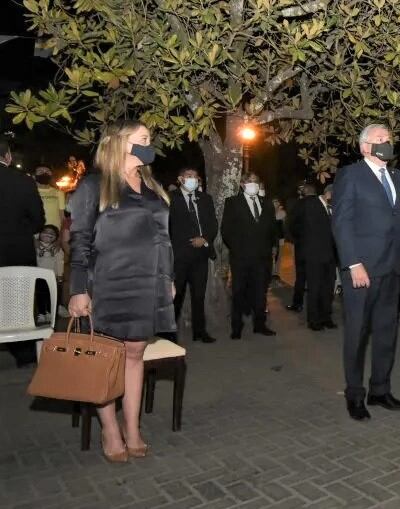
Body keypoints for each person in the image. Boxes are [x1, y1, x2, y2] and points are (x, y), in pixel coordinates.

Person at [68, 119, 176, 463]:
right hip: (109, 283)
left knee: (134, 355)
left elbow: (163, 238)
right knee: (108, 360)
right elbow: (80, 240)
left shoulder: (151, 185)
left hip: (148, 283)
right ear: (120, 143)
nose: (150, 143)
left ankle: (133, 428)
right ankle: (110, 429)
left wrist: (167, 277)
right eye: (144, 138)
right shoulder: (95, 185)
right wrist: (78, 289)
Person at [332, 123, 400, 421]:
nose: (387, 142)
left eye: (389, 138)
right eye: (380, 139)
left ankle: (380, 390)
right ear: (365, 147)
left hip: (393, 269)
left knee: (386, 333)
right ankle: (354, 395)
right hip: (362, 270)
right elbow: (341, 223)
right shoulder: (350, 175)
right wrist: (353, 263)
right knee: (357, 334)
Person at [0, 138, 45, 367]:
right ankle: (24, 353)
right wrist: (19, 232)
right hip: (16, 252)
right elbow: (38, 220)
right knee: (18, 302)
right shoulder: (23, 182)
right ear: (7, 156)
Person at [221, 172, 278, 339]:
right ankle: (236, 327)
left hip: (262, 258)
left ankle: (260, 325)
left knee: (261, 292)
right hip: (241, 258)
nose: (253, 184)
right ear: (242, 184)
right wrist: (238, 249)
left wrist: (272, 247)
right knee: (238, 292)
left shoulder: (266, 203)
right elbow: (226, 230)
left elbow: (273, 228)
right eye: (249, 181)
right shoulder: (232, 202)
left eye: (255, 181)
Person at [168, 168, 218, 343]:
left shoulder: (205, 199)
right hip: (178, 257)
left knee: (199, 295)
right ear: (180, 179)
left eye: (195, 177)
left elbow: (213, 224)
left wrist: (204, 239)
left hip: (200, 256)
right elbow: (166, 227)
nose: (193, 180)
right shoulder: (170, 199)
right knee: (176, 296)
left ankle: (200, 331)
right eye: (189, 176)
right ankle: (169, 335)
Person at [293, 184, 337, 331]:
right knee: (315, 288)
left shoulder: (333, 208)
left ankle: (326, 317)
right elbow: (298, 227)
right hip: (314, 255)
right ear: (328, 193)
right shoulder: (311, 204)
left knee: (328, 289)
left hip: (330, 256)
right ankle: (314, 320)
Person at [286, 182, 317, 312]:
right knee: (315, 278)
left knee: (300, 277)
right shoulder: (320, 204)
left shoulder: (298, 205)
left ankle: (297, 304)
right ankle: (315, 306)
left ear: (303, 192)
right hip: (317, 247)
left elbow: (291, 224)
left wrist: (296, 239)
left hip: (302, 247)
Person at [35, 224, 64, 324]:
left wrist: (60, 275)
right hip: (38, 277)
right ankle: (41, 313)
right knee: (40, 296)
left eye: (51, 233)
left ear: (55, 237)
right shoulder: (36, 246)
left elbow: (60, 261)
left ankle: (49, 312)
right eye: (45, 232)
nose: (48, 234)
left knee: (51, 295)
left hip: (52, 277)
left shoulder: (56, 249)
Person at [34, 166, 66, 230]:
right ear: (34, 175)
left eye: (47, 171)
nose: (44, 173)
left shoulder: (59, 193)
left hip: (54, 233)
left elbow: (62, 216)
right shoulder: (28, 192)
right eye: (40, 171)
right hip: (34, 233)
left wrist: (63, 232)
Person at [272, 198, 286, 279]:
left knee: (279, 256)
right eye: (274, 202)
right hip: (271, 238)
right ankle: (271, 272)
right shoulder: (269, 213)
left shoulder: (282, 213)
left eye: (277, 202)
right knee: (272, 255)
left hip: (280, 238)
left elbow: (284, 226)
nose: (276, 203)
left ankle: (276, 273)